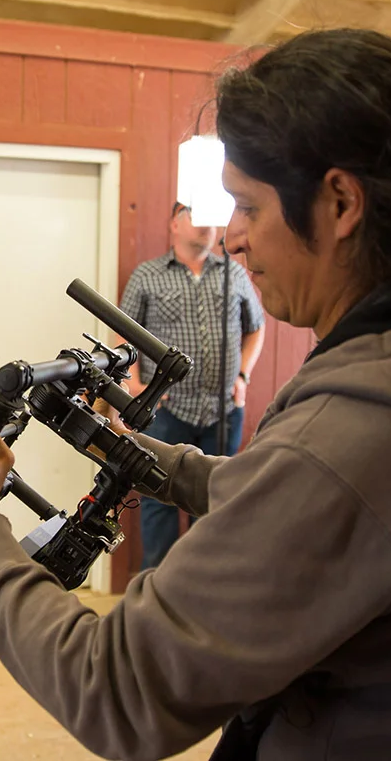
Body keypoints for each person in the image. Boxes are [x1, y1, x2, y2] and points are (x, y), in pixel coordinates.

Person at [0, 28, 391, 760]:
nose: (238, 240)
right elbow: (291, 500)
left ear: (341, 202)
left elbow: (116, 691)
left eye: (249, 208)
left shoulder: (357, 431)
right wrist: (128, 447)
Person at [120, 201, 265, 568]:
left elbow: (256, 327)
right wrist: (135, 384)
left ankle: (204, 594)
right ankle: (155, 599)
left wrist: (243, 375)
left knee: (217, 501)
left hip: (223, 411)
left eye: (210, 216)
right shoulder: (147, 276)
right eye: (194, 214)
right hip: (166, 410)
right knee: (157, 498)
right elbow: (124, 333)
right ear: (174, 223)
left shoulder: (233, 273)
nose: (205, 224)